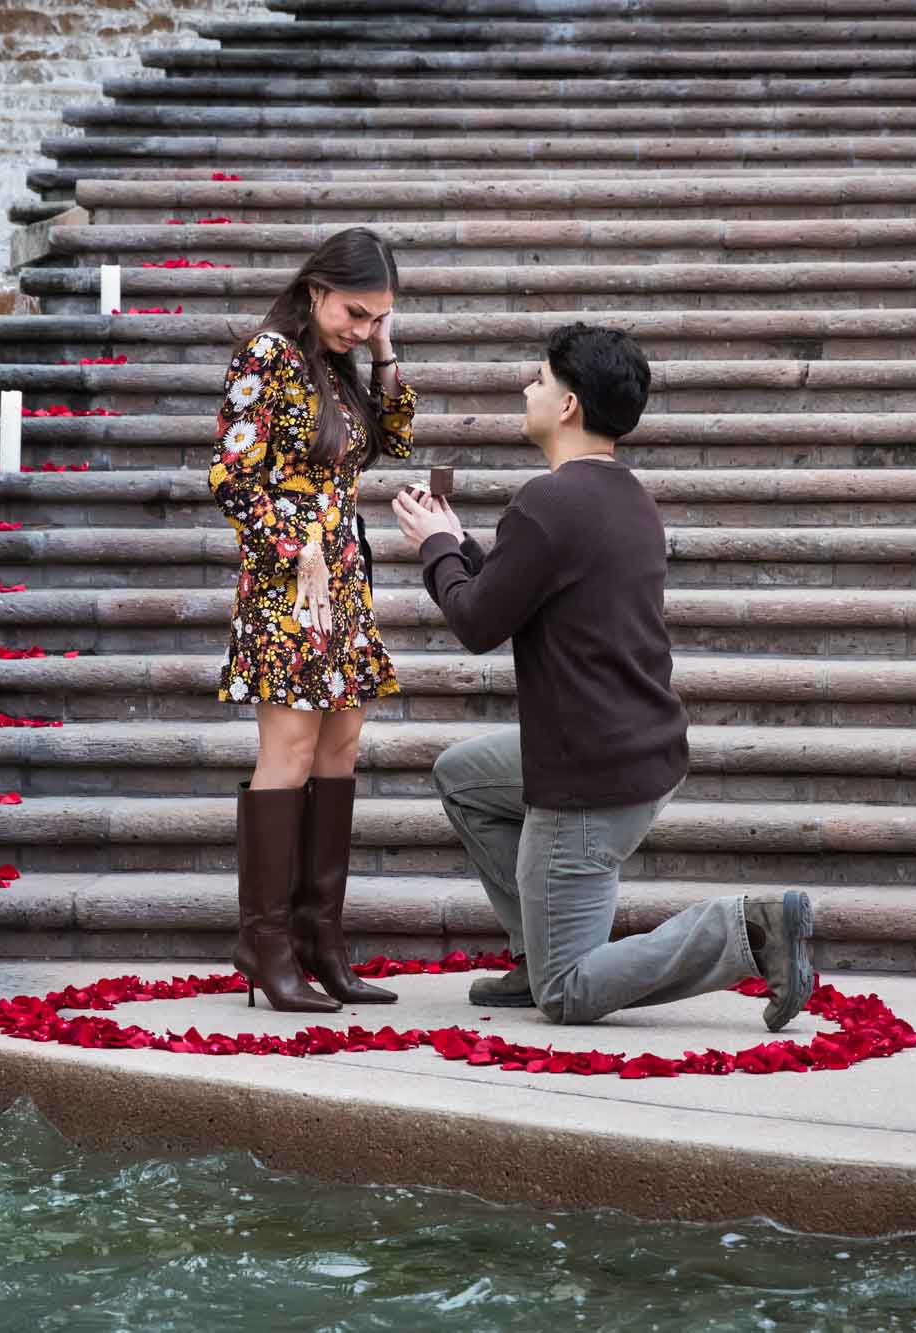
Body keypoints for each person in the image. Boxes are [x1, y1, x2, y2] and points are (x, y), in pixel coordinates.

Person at [390, 323, 815, 1031]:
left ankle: (750, 928)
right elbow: (518, 584)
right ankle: (538, 945)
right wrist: (458, 543)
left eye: (539, 380)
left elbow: (475, 623)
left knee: (570, 991)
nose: (527, 389)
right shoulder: (625, 497)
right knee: (464, 776)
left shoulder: (547, 504)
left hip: (587, 778)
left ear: (567, 406)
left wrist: (435, 550)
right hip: (636, 748)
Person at [209, 227, 416, 1012]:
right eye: (356, 312)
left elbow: (393, 438)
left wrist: (382, 353)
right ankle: (264, 944)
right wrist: (289, 547)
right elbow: (229, 471)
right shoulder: (268, 355)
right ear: (316, 288)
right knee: (291, 748)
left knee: (342, 744)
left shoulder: (339, 365)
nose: (363, 328)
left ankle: (319, 940)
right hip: (286, 584)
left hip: (346, 581)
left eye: (378, 318)